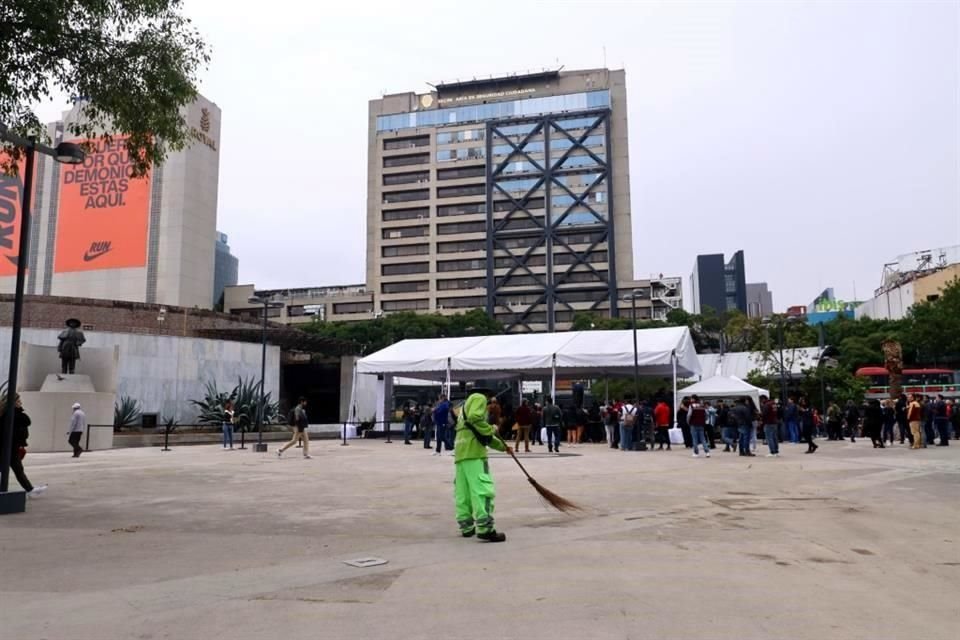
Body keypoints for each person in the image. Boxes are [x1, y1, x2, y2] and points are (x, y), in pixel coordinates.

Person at [454, 391, 511, 542]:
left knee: (463, 492)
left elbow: (480, 433)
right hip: (474, 453)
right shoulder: (479, 398)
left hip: (461, 453)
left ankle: (466, 527)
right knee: (482, 490)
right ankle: (486, 528)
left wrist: (503, 447)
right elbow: (476, 419)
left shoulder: (464, 409)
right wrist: (492, 429)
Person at [0, 395, 47, 497]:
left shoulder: (10, 413)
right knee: (17, 470)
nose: (21, 402)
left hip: (11, 447)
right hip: (9, 448)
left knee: (18, 470)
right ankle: (30, 490)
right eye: (18, 400)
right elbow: (27, 420)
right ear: (13, 403)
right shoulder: (12, 414)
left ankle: (30, 489)